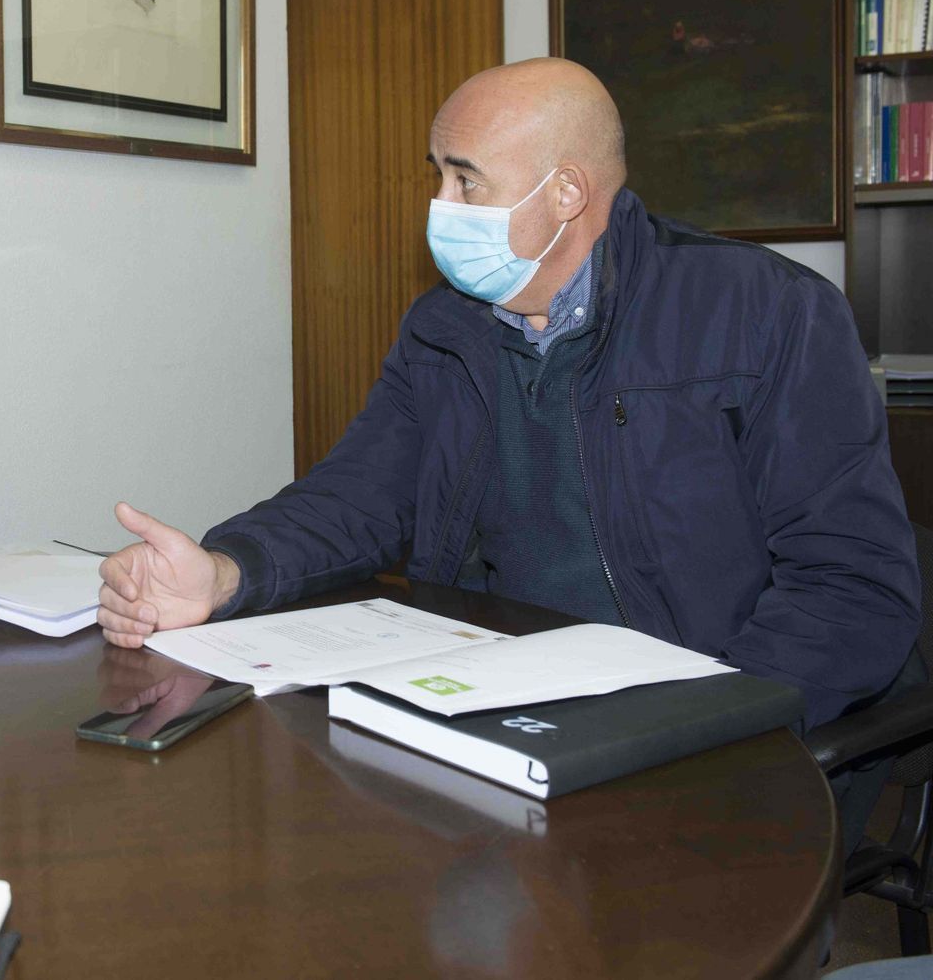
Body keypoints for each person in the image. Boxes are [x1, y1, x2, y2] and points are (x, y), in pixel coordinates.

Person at [97, 59, 922, 843]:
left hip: (703, 728)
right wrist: (226, 569)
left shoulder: (766, 313)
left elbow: (853, 588)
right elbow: (361, 493)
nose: (438, 203)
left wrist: (706, 721)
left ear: (565, 192)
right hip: (502, 707)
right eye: (436, 174)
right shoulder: (445, 326)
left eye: (464, 179)